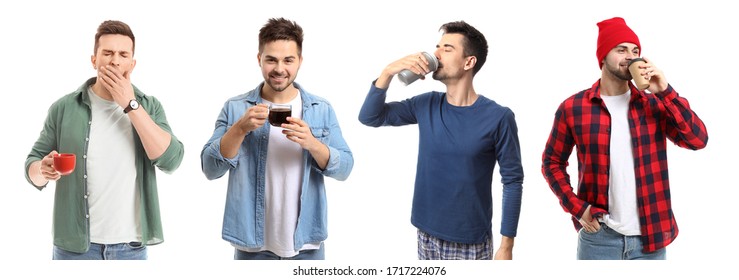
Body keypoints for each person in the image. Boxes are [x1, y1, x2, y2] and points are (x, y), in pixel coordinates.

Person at [541, 17, 709, 260]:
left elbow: (698, 139)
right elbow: (551, 162)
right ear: (603, 58)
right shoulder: (574, 108)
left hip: (650, 240)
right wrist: (578, 209)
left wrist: (665, 91)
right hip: (598, 239)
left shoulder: (654, 104)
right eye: (621, 49)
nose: (631, 56)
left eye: (635, 50)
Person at [358, 21, 523, 260]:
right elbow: (370, 117)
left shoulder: (499, 117)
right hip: (425, 232)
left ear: (469, 62)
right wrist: (388, 72)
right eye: (437, 47)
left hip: (469, 242)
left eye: (447, 48)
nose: (435, 53)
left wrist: (506, 247)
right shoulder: (426, 104)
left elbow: (513, 181)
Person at [24, 20, 185, 260]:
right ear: (94, 60)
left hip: (130, 249)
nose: (114, 61)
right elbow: (32, 165)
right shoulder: (64, 107)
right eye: (107, 53)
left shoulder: (149, 106)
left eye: (123, 54)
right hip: (74, 249)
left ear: (132, 63)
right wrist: (42, 169)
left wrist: (130, 104)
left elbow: (171, 160)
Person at [200, 18, 354, 260]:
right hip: (252, 248)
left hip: (306, 247)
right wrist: (239, 129)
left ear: (300, 61)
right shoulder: (235, 108)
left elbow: (345, 168)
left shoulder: (320, 109)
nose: (279, 68)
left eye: (288, 60)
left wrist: (312, 143)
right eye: (271, 59)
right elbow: (210, 169)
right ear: (259, 59)